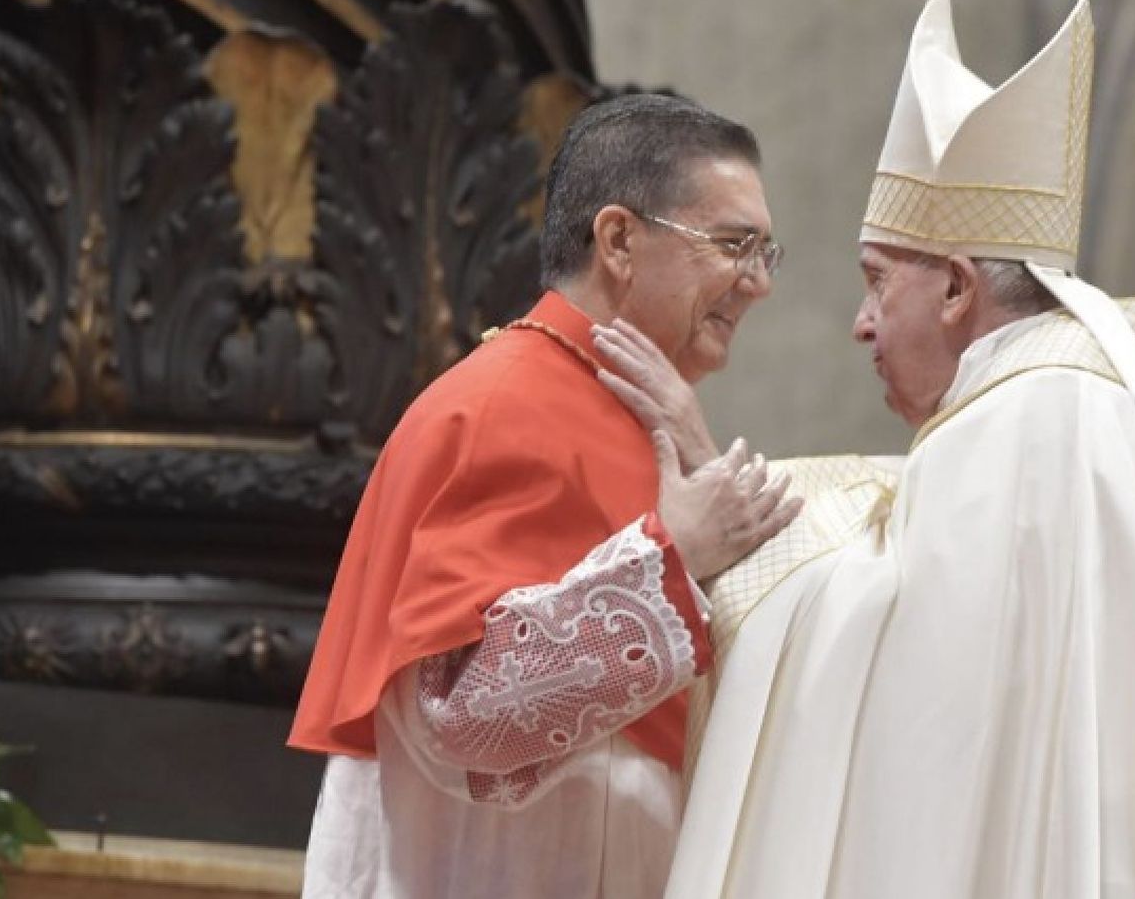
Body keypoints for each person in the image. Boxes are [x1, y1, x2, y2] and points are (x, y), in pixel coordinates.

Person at [598, 0, 1135, 897]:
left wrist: (703, 478)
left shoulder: (1032, 419)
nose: (861, 324)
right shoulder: (1074, 408)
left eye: (878, 282)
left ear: (960, 291)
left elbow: (906, 686)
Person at [287, 92, 802, 899]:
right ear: (619, 240)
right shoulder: (507, 406)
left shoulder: (628, 411)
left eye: (769, 253)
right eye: (734, 245)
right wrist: (675, 562)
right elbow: (464, 711)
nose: (758, 284)